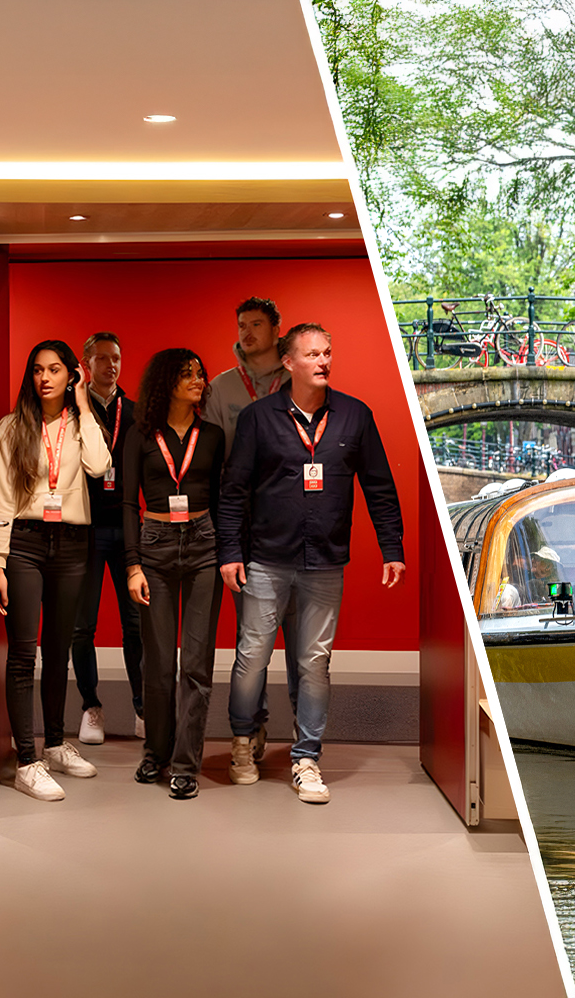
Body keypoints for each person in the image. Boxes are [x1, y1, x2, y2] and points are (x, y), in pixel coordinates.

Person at [218, 322, 405, 804]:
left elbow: (379, 486)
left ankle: (306, 758)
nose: (323, 362)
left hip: (324, 562)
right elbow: (234, 491)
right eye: (313, 354)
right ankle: (244, 740)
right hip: (265, 559)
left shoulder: (354, 416)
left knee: (315, 663)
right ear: (289, 363)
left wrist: (392, 548)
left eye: (327, 353)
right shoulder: (259, 419)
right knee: (252, 658)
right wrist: (230, 553)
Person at [0, 340, 111, 802]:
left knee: (59, 649)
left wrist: (83, 404)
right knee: (24, 653)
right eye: (38, 370)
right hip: (25, 543)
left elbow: (100, 466)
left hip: (73, 543)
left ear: (71, 375)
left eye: (56, 369)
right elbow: (3, 497)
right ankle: (27, 761)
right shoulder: (12, 427)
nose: (45, 378)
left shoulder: (81, 423)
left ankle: (56, 744)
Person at [122, 349, 225, 800]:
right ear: (167, 382)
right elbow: (128, 503)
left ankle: (185, 764)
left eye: (200, 373)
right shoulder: (140, 435)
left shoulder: (213, 435)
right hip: (155, 546)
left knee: (196, 665)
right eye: (187, 374)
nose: (198, 380)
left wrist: (228, 553)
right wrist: (133, 565)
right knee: (159, 663)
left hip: (204, 545)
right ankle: (155, 753)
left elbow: (221, 498)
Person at [204, 296, 295, 765]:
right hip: (242, 526)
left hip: (294, 523)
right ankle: (252, 726)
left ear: (277, 330)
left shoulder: (297, 382)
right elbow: (210, 459)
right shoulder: (221, 388)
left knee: (302, 641)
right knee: (252, 637)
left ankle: (303, 740)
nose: (247, 332)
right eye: (242, 325)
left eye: (256, 324)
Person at [70, 331, 143, 744]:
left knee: (136, 624)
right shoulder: (73, 411)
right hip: (85, 528)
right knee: (83, 626)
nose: (110, 365)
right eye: (101, 359)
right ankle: (90, 707)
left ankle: (143, 709)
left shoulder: (134, 413)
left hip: (128, 527)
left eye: (115, 358)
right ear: (86, 364)